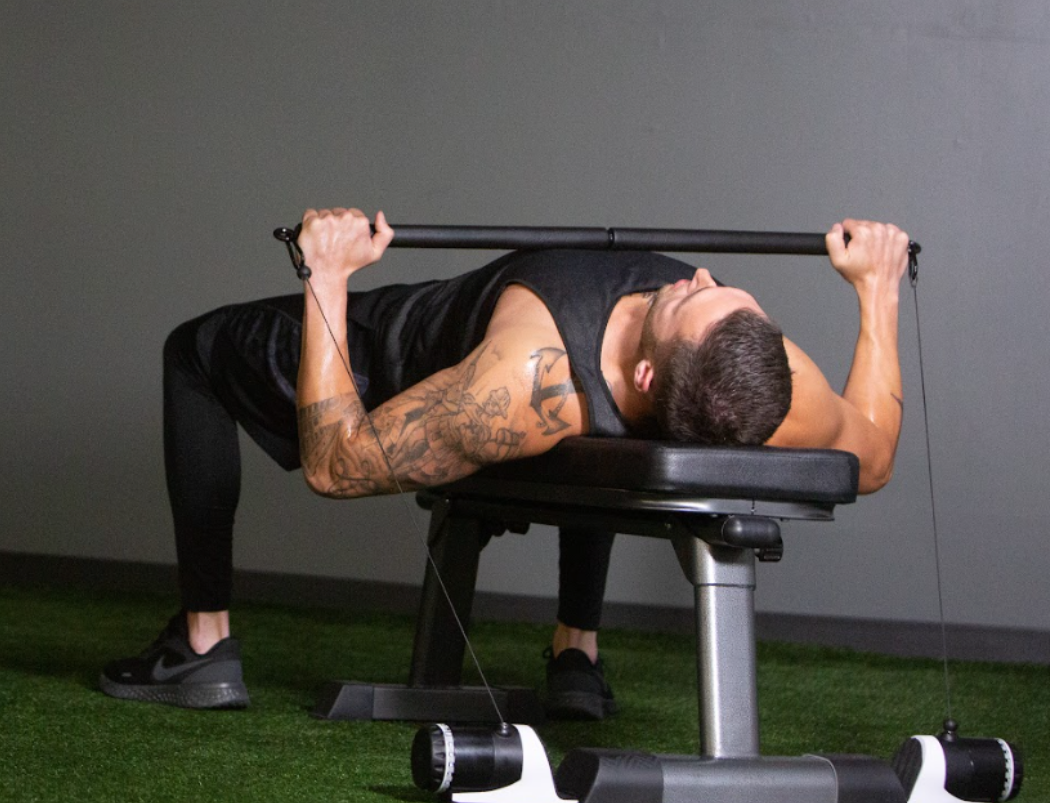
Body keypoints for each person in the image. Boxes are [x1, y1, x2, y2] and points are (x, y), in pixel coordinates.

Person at [100, 209, 911, 716]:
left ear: (649, 377)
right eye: (717, 286)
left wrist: (328, 275)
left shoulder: (525, 384)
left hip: (399, 357)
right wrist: (877, 291)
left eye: (687, 295)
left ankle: (203, 648)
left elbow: (336, 461)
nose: (697, 274)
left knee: (193, 353)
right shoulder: (757, 369)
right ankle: (576, 655)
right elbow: (870, 455)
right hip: (498, 342)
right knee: (603, 435)